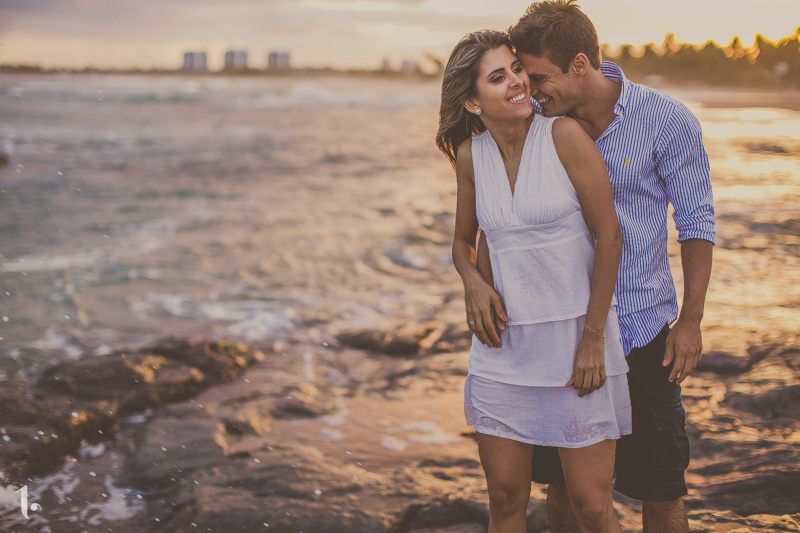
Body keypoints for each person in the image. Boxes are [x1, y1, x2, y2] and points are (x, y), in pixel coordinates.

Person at [473, 2, 716, 532]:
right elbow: (498, 216)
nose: (530, 91)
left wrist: (691, 320)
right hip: (557, 338)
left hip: (637, 331)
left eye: (538, 77)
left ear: (579, 65)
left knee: (660, 482)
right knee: (562, 483)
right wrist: (478, 282)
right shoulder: (535, 123)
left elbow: (696, 223)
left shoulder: (666, 121)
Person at [436, 30, 631, 533]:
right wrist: (473, 284)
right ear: (472, 100)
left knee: (592, 505)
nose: (518, 83)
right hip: (504, 349)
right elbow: (462, 241)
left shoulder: (563, 135)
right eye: (498, 77)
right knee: (503, 499)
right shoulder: (470, 156)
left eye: (516, 70)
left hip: (574, 344)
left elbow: (610, 236)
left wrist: (592, 340)